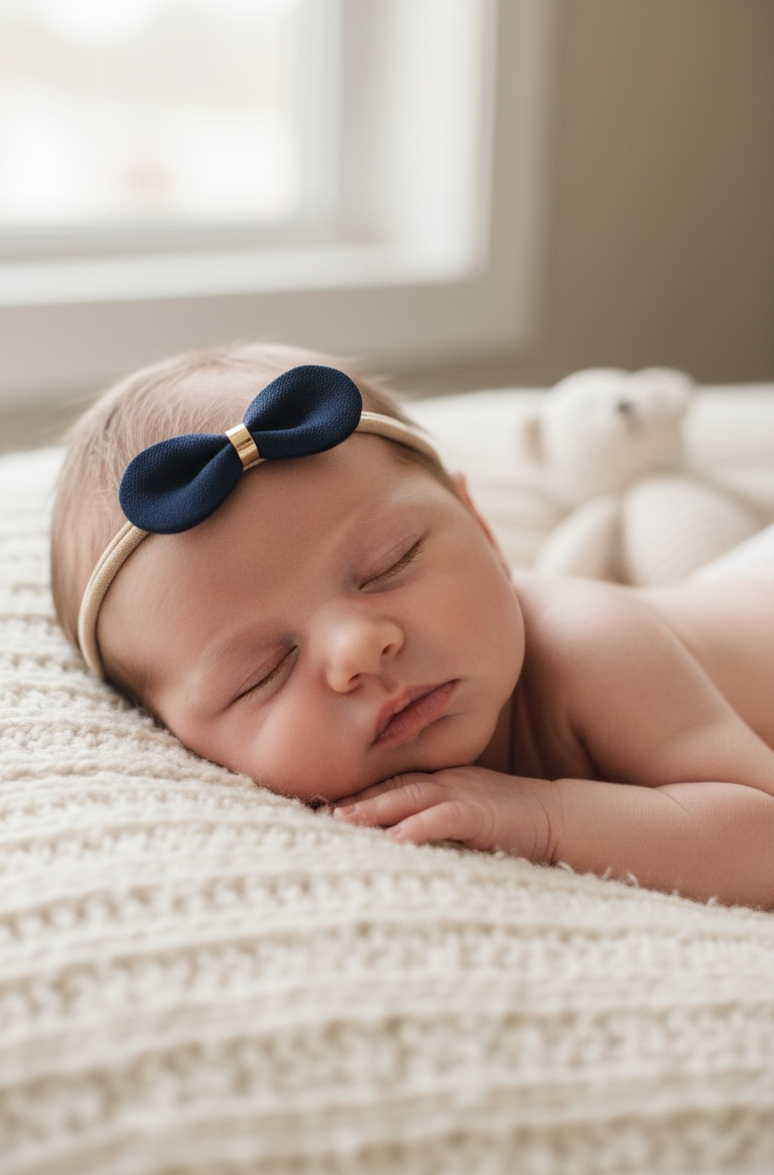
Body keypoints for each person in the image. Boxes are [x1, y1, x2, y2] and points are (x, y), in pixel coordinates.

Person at [51, 342, 774, 910]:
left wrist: (543, 817)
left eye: (388, 564)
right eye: (263, 671)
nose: (359, 648)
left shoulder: (593, 643)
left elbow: (761, 833)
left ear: (483, 527)